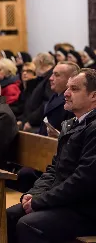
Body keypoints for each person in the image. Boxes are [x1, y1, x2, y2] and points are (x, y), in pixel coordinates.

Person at [7, 68, 96, 243]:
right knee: (11, 215)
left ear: (93, 96)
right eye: (67, 88)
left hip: (86, 208)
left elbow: (82, 181)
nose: (66, 93)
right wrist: (34, 194)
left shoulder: (93, 128)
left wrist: (40, 201)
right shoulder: (72, 124)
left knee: (28, 224)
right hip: (68, 202)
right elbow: (55, 168)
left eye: (75, 89)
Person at [38, 61, 79, 137]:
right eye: (52, 74)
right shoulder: (55, 95)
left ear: (70, 79)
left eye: (56, 75)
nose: (50, 78)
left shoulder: (72, 102)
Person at [17, 53, 55, 132]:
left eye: (35, 64)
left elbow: (46, 103)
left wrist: (31, 121)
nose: (35, 68)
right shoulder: (44, 78)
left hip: (38, 124)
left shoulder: (50, 78)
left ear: (41, 62)